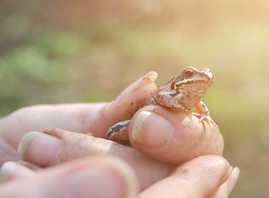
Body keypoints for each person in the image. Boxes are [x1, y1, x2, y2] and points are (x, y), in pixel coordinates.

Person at [0, 72, 239, 198]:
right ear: (182, 79)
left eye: (206, 75)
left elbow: (201, 108)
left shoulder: (195, 98)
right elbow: (163, 98)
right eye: (191, 74)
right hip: (139, 119)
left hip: (159, 133)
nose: (201, 78)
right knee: (117, 131)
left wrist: (203, 118)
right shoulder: (174, 92)